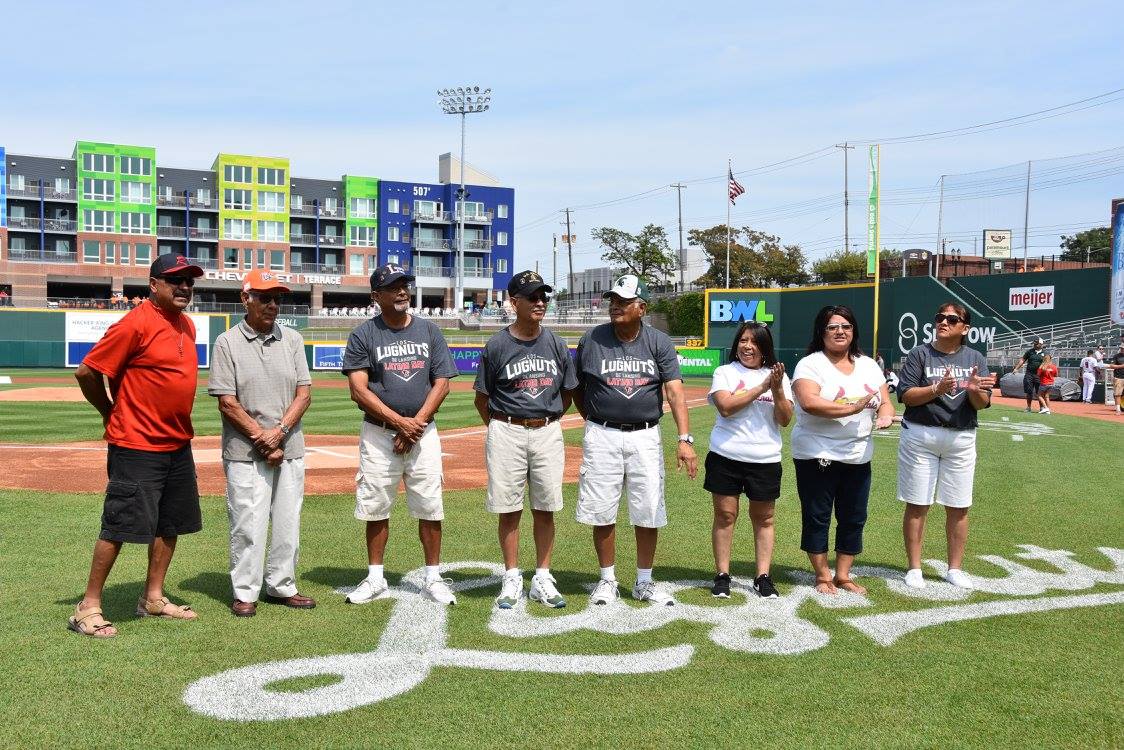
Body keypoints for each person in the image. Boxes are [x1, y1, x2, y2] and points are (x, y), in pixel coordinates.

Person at [69, 253, 205, 638]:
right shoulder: (135, 323)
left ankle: (153, 598)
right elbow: (87, 372)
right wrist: (110, 412)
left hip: (177, 443)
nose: (184, 287)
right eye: (175, 280)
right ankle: (88, 606)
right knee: (118, 525)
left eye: (189, 281)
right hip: (137, 444)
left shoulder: (187, 325)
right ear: (154, 285)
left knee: (170, 524)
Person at [573, 274, 698, 606]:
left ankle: (644, 581)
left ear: (641, 308)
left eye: (624, 302)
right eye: (613, 300)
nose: (615, 306)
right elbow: (577, 388)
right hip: (602, 434)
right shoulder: (592, 339)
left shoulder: (658, 341)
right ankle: (607, 580)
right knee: (602, 510)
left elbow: (674, 390)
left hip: (645, 435)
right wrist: (596, 419)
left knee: (648, 509)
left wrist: (685, 439)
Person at [342, 264, 460, 606]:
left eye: (405, 285)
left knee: (430, 505)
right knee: (376, 505)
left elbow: (442, 382)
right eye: (393, 287)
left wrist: (415, 424)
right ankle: (376, 578)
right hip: (379, 434)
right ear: (376, 296)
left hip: (423, 432)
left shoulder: (429, 331)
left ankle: (433, 578)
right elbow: (358, 390)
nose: (402, 291)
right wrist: (399, 423)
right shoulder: (364, 334)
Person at [208, 270, 314, 617]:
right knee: (248, 523)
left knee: (287, 523)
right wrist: (263, 438)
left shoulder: (293, 340)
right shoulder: (227, 342)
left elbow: (304, 393)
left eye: (277, 298)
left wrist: (279, 432)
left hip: (290, 445)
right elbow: (227, 402)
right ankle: (245, 592)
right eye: (265, 297)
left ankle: (282, 585)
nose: (272, 304)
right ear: (246, 298)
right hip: (245, 450)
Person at [474, 270, 577, 609]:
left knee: (546, 507)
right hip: (507, 430)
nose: (539, 302)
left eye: (543, 296)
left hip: (547, 429)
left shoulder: (557, 343)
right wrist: (506, 425)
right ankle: (512, 576)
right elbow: (482, 398)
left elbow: (567, 394)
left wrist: (544, 419)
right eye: (532, 296)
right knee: (509, 509)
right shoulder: (498, 344)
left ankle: (543, 577)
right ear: (513, 302)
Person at [790, 305, 894, 595]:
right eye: (832, 327)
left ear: (853, 331)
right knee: (817, 515)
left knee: (854, 516)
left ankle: (844, 575)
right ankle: (823, 575)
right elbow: (809, 402)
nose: (840, 332)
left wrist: (885, 413)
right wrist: (853, 407)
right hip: (817, 452)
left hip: (858, 455)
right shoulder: (810, 364)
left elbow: (885, 400)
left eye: (845, 326)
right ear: (821, 333)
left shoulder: (869, 365)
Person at [896, 303, 996, 590]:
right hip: (921, 435)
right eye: (939, 317)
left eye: (952, 319)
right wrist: (936, 389)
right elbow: (905, 396)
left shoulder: (975, 356)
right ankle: (914, 568)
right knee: (918, 503)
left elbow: (982, 403)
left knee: (959, 505)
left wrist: (976, 391)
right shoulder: (920, 353)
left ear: (965, 328)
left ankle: (955, 568)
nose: (943, 322)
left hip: (961, 437)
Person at [704, 321, 793, 599]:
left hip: (764, 458)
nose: (747, 346)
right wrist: (763, 386)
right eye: (743, 340)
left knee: (764, 518)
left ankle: (762, 577)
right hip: (725, 455)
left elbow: (785, 419)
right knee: (725, 515)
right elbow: (726, 407)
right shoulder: (725, 372)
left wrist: (776, 388)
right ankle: (722, 575)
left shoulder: (778, 376)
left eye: (754, 342)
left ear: (764, 347)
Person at [1011, 338, 1047, 413]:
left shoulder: (1045, 353)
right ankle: (1028, 407)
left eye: (1036, 343)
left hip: (1039, 375)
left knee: (1039, 392)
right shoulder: (1029, 351)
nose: (1034, 345)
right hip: (1029, 374)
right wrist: (1016, 368)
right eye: (1034, 343)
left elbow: (1047, 363)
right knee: (1029, 391)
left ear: (1041, 344)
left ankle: (1042, 408)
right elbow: (1022, 360)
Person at [1109, 344, 1124, 415]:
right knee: (1118, 394)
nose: (1122, 349)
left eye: (1123, 348)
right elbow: (1111, 366)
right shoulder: (1116, 356)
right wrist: (1122, 366)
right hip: (1118, 377)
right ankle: (1118, 410)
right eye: (1121, 348)